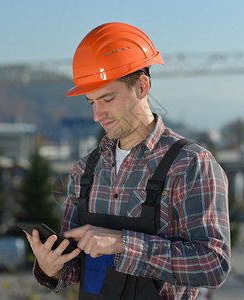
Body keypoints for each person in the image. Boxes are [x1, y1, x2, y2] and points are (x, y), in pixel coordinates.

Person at [25, 22, 231, 300]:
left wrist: (122, 244)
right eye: (91, 102)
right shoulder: (85, 170)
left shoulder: (190, 164)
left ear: (142, 86)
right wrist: (51, 268)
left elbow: (213, 265)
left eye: (107, 99)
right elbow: (75, 266)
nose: (97, 114)